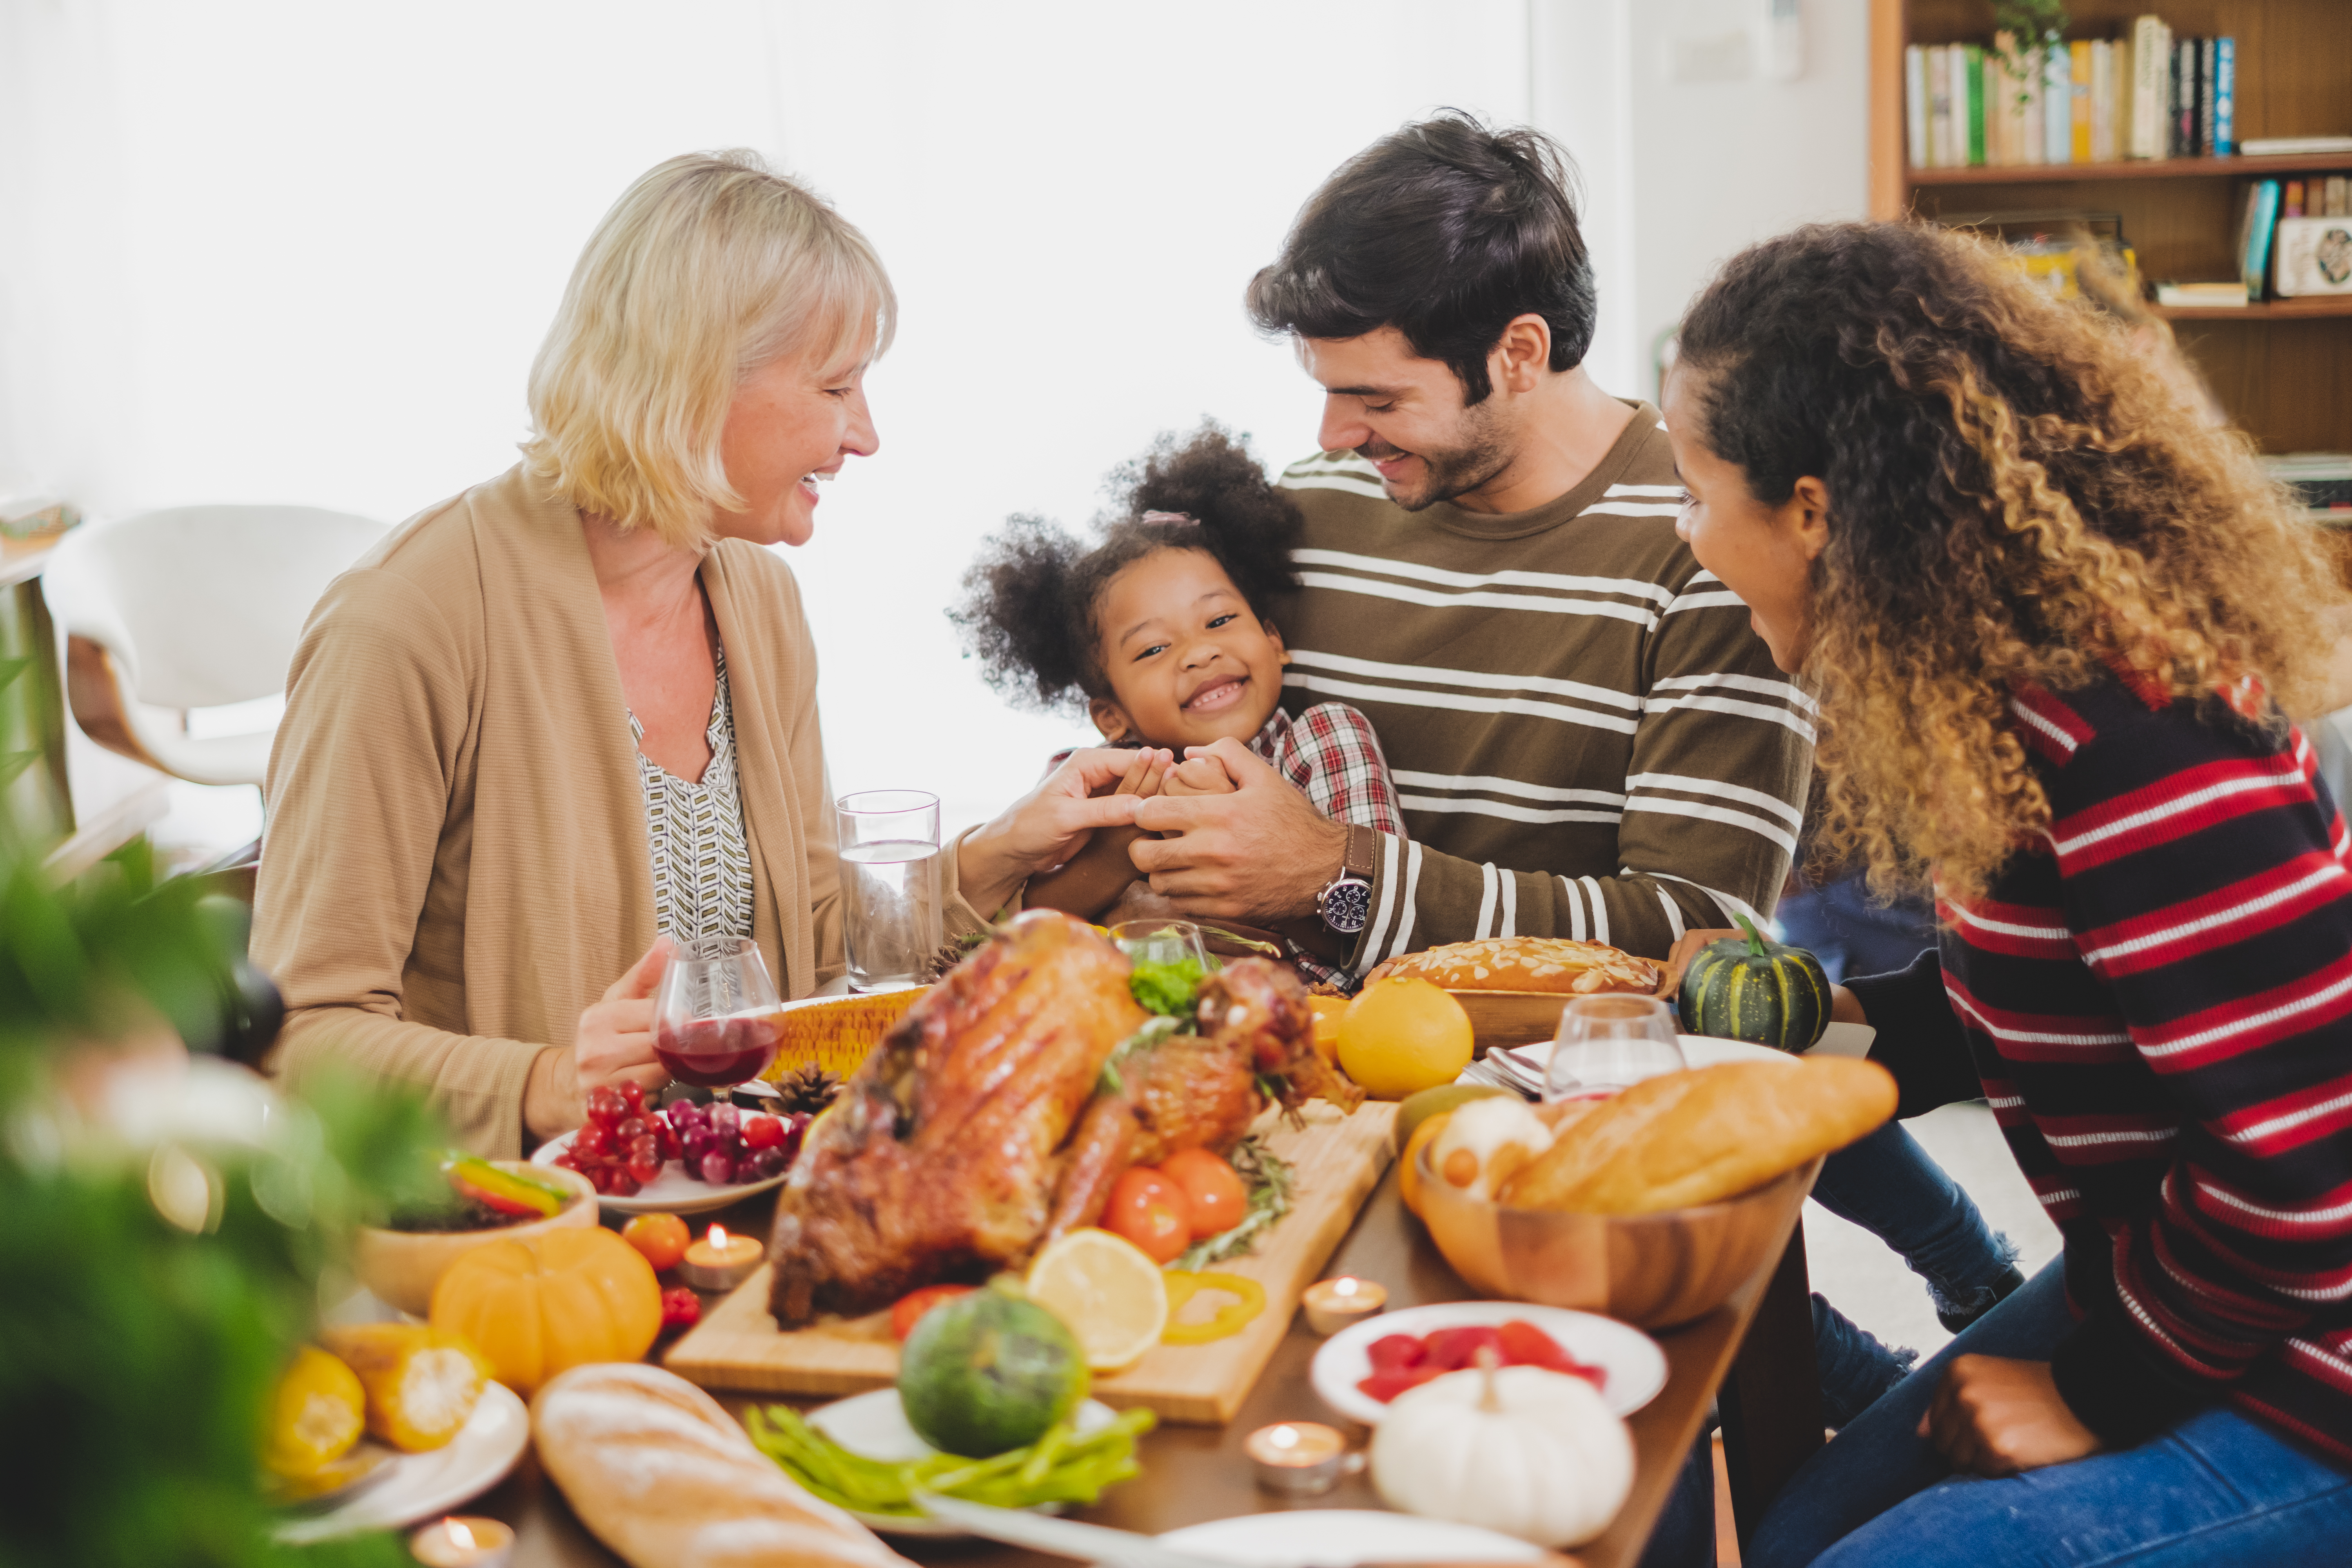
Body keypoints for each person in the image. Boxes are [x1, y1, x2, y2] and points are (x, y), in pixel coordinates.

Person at [1661, 219, 2352, 1566]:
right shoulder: (2018, 699)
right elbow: (2043, 995)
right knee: (1796, 1533)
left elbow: (2305, 1184)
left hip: (2317, 1358)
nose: (1691, 541)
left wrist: (2095, 1398)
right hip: (2186, 1276)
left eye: (1695, 493)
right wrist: (1788, 1034)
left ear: (1813, 511)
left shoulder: (2140, 743)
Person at [254, 151, 1144, 1156]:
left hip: (740, 1184)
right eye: (837, 385)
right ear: (696, 378)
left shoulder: (758, 599)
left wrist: (1008, 848)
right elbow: (301, 1034)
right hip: (524, 1239)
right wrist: (549, 1083)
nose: (867, 435)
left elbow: (808, 946)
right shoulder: (405, 624)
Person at [952, 424, 1403, 985]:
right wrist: (1118, 853)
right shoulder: (1088, 785)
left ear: (1273, 642)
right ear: (1111, 718)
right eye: (1155, 648)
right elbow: (1018, 938)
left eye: (1218, 621)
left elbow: (1379, 912)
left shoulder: (1323, 740)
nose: (1199, 653)